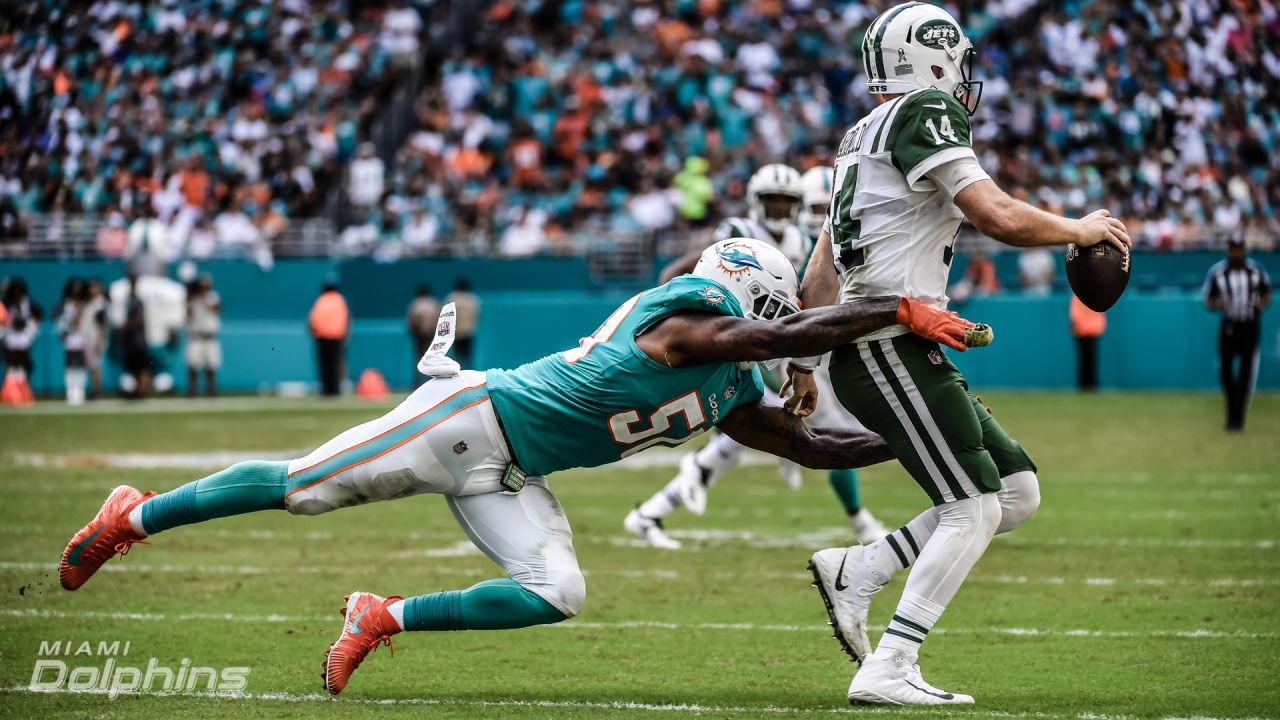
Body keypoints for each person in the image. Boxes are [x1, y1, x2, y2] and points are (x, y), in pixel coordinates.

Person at [56, 238, 987, 697]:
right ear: (749, 291)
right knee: (301, 491)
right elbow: (782, 333)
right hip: (464, 421)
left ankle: (382, 615)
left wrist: (927, 438)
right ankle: (130, 516)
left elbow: (817, 445)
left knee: (559, 590)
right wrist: (893, 312)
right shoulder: (684, 321)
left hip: (507, 475)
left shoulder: (731, 386)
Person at [795, 3, 1130, 705]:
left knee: (1015, 493)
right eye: (959, 62)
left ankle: (863, 567)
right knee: (972, 505)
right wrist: (1080, 226)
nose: (966, 78)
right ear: (933, 58)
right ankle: (888, 665)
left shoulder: (858, 136)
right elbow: (996, 215)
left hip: (884, 343)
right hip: (887, 343)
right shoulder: (922, 111)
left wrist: (800, 359)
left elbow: (820, 269)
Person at [629, 164, 889, 548]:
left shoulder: (803, 240)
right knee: (777, 420)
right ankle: (861, 521)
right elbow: (684, 274)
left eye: (788, 202)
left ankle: (652, 511)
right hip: (738, 344)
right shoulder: (738, 233)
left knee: (748, 432)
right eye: (773, 201)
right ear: (756, 200)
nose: (781, 209)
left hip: (778, 347)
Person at [1204, 238, 1271, 431]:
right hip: (1229, 325)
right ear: (1228, 250)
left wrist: (1261, 304)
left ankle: (1237, 419)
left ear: (1243, 249)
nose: (1236, 254)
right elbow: (1208, 300)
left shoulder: (1255, 271)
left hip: (1249, 325)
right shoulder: (1218, 272)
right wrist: (1217, 304)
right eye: (1233, 249)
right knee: (1225, 371)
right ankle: (1232, 410)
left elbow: (1267, 293)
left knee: (1245, 373)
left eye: (1239, 249)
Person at [309, 279, 350, 397]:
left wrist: (313, 332)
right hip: (336, 337)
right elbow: (346, 319)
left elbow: (314, 319)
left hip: (322, 337)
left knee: (325, 365)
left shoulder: (321, 300)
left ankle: (326, 389)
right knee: (335, 364)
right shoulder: (340, 300)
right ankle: (335, 389)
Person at [186, 274, 222, 398]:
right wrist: (191, 297)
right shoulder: (192, 299)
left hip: (210, 336)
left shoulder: (213, 297)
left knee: (212, 365)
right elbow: (188, 314)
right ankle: (192, 390)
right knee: (193, 365)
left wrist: (203, 299)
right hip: (196, 336)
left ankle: (211, 390)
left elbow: (216, 309)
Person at [56, 278, 89, 405]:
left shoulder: (83, 302)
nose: (76, 290)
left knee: (81, 362)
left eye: (78, 287)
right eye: (74, 287)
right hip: (69, 335)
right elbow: (60, 316)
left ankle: (80, 390)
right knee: (69, 361)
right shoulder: (66, 302)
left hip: (81, 335)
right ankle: (70, 391)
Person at [405, 285, 441, 388]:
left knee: (419, 360)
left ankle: (418, 384)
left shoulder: (416, 303)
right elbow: (439, 319)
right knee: (432, 359)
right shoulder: (433, 303)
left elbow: (410, 320)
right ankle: (433, 383)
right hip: (431, 334)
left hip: (419, 335)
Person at [1069, 294, 1105, 391]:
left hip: (1085, 330)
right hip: (1087, 330)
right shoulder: (1096, 295)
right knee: (1089, 360)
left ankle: (1086, 385)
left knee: (1086, 360)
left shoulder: (1078, 295)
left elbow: (1074, 314)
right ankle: (1089, 385)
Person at [80, 279, 108, 400]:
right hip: (87, 338)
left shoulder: (100, 303)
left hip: (94, 338)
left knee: (95, 366)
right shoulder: (88, 302)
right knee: (91, 366)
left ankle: (97, 392)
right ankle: (94, 391)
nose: (92, 290)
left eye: (95, 287)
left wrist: (100, 340)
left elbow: (102, 324)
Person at [445, 278, 478, 368]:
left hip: (456, 332)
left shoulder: (452, 297)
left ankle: (456, 373)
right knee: (467, 357)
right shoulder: (472, 299)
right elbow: (476, 315)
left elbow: (445, 315)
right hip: (468, 332)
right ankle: (468, 374)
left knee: (456, 356)